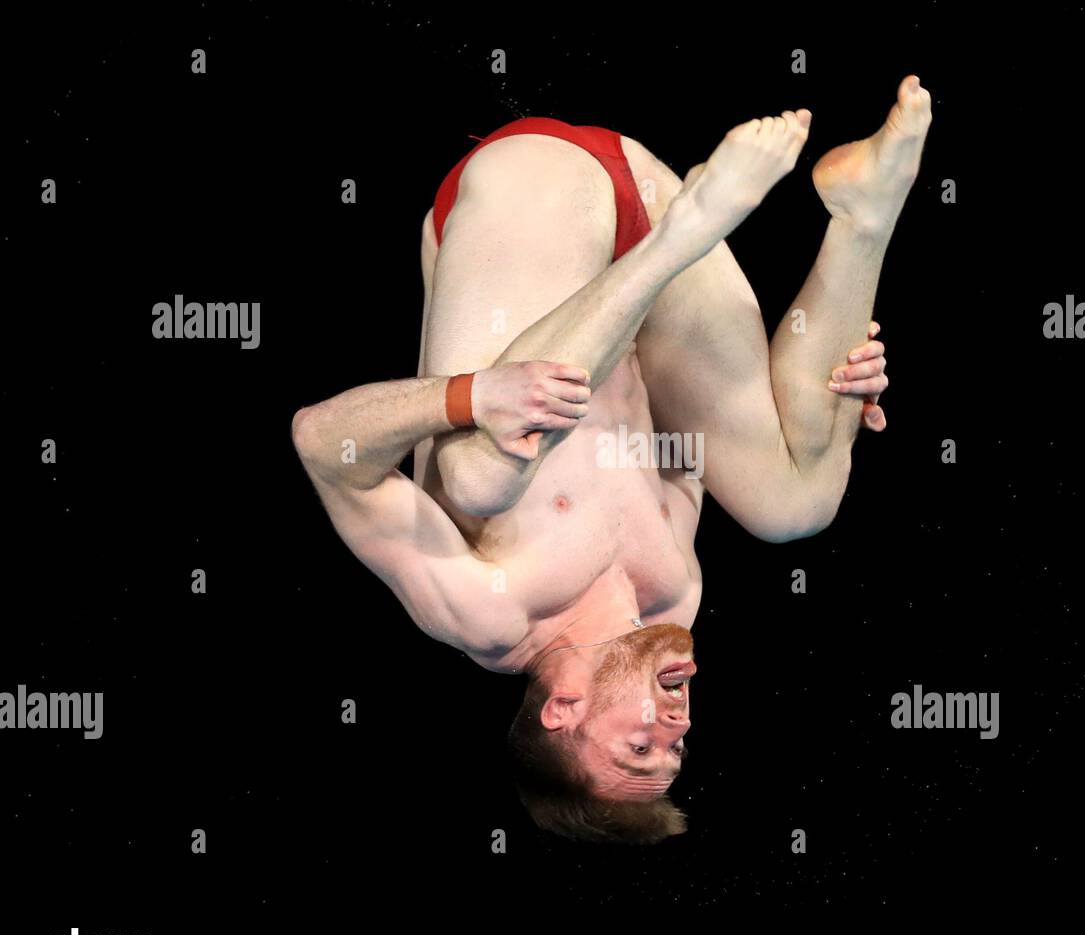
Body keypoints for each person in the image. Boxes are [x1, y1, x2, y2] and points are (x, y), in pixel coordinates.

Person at [292, 76, 933, 843]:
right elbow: (689, 429)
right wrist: (831, 402)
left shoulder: (485, 613)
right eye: (678, 746)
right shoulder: (674, 594)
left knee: (475, 476)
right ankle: (863, 215)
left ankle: (685, 230)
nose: (676, 722)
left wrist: (467, 399)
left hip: (537, 189)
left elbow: (323, 442)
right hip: (651, 219)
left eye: (641, 744)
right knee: (793, 507)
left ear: (562, 711)